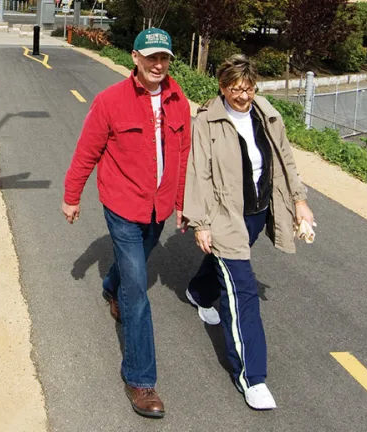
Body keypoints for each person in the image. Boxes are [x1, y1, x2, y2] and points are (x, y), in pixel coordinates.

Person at [62, 28, 193, 419]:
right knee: (138, 289)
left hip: (160, 207)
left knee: (132, 266)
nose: (158, 64)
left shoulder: (178, 99)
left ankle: (110, 287)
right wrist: (72, 196)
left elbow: (184, 153)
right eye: (151, 57)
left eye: (164, 58)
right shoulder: (110, 102)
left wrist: (183, 202)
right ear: (134, 57)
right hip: (121, 205)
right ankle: (140, 380)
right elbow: (87, 151)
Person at [183, 54, 316, 411]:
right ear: (222, 87)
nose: (242, 96)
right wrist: (201, 222)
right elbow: (199, 172)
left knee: (227, 271)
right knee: (242, 291)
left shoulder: (265, 111)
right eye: (234, 89)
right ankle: (252, 378)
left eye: (248, 88)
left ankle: (198, 291)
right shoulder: (207, 122)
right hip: (225, 215)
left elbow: (285, 158)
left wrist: (299, 202)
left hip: (257, 212)